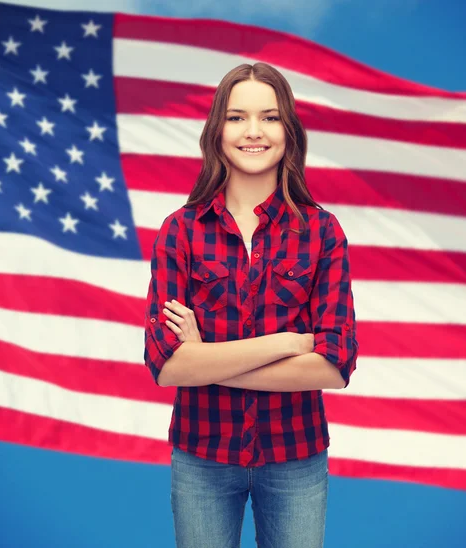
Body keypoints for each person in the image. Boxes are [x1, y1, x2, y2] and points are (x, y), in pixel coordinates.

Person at [144, 62, 359, 548]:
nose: (254, 131)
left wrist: (206, 360)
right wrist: (285, 343)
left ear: (290, 132)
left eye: (271, 116)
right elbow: (166, 365)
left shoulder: (323, 232)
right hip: (202, 459)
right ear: (217, 130)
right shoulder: (180, 230)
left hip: (296, 459)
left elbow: (334, 364)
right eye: (238, 117)